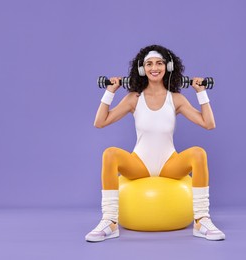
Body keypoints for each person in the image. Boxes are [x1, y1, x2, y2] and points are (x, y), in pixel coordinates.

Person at [85, 44, 225, 242]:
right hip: (140, 163)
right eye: (149, 64)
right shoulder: (133, 98)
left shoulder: (176, 99)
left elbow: (209, 124)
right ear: (142, 69)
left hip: (169, 163)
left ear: (167, 67)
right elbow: (100, 122)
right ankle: (110, 221)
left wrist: (201, 92)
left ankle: (201, 220)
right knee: (109, 154)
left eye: (159, 63)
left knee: (198, 153)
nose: (154, 67)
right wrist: (110, 91)